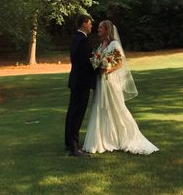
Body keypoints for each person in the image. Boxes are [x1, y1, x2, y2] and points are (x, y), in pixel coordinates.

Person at [83, 20, 159, 155]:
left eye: (100, 27)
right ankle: (105, 140)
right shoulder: (102, 45)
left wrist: (108, 69)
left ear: (107, 29)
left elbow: (119, 64)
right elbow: (99, 60)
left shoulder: (114, 44)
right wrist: (97, 64)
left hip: (110, 81)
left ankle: (127, 136)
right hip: (101, 82)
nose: (98, 29)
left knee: (116, 108)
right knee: (101, 108)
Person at [65, 14, 96, 157]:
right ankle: (74, 148)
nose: (91, 26)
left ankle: (69, 143)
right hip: (81, 82)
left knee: (72, 112)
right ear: (84, 23)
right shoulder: (82, 40)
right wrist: (98, 68)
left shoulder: (76, 38)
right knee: (77, 114)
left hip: (76, 81)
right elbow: (86, 64)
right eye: (90, 23)